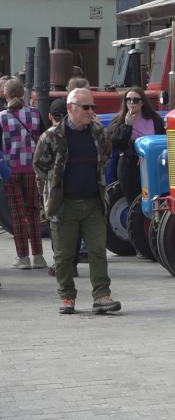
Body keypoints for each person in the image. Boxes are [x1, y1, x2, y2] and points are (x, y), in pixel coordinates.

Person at [34, 88, 120, 314]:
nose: (91, 112)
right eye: (86, 107)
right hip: (64, 205)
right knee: (63, 255)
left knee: (98, 251)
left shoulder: (99, 132)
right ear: (71, 108)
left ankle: (102, 295)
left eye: (93, 107)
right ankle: (67, 296)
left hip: (93, 202)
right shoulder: (51, 136)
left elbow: (106, 155)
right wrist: (48, 198)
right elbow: (40, 167)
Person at [0, 78, 47, 269]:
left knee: (18, 214)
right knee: (34, 211)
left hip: (10, 170)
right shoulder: (35, 114)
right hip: (32, 169)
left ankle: (23, 257)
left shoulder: (2, 117)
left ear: (5, 93)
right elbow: (44, 140)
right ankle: (39, 256)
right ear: (23, 93)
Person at [109, 87, 165, 205]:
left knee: (155, 200)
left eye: (135, 100)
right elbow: (117, 144)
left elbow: (162, 141)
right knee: (135, 203)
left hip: (153, 165)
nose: (131, 103)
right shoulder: (120, 121)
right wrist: (127, 125)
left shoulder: (154, 120)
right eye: (128, 100)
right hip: (131, 167)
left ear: (142, 102)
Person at [45, 99, 80, 278]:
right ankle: (72, 263)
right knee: (74, 228)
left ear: (50, 116)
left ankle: (61, 264)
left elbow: (41, 166)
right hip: (76, 188)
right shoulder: (78, 133)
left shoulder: (49, 136)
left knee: (57, 228)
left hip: (55, 190)